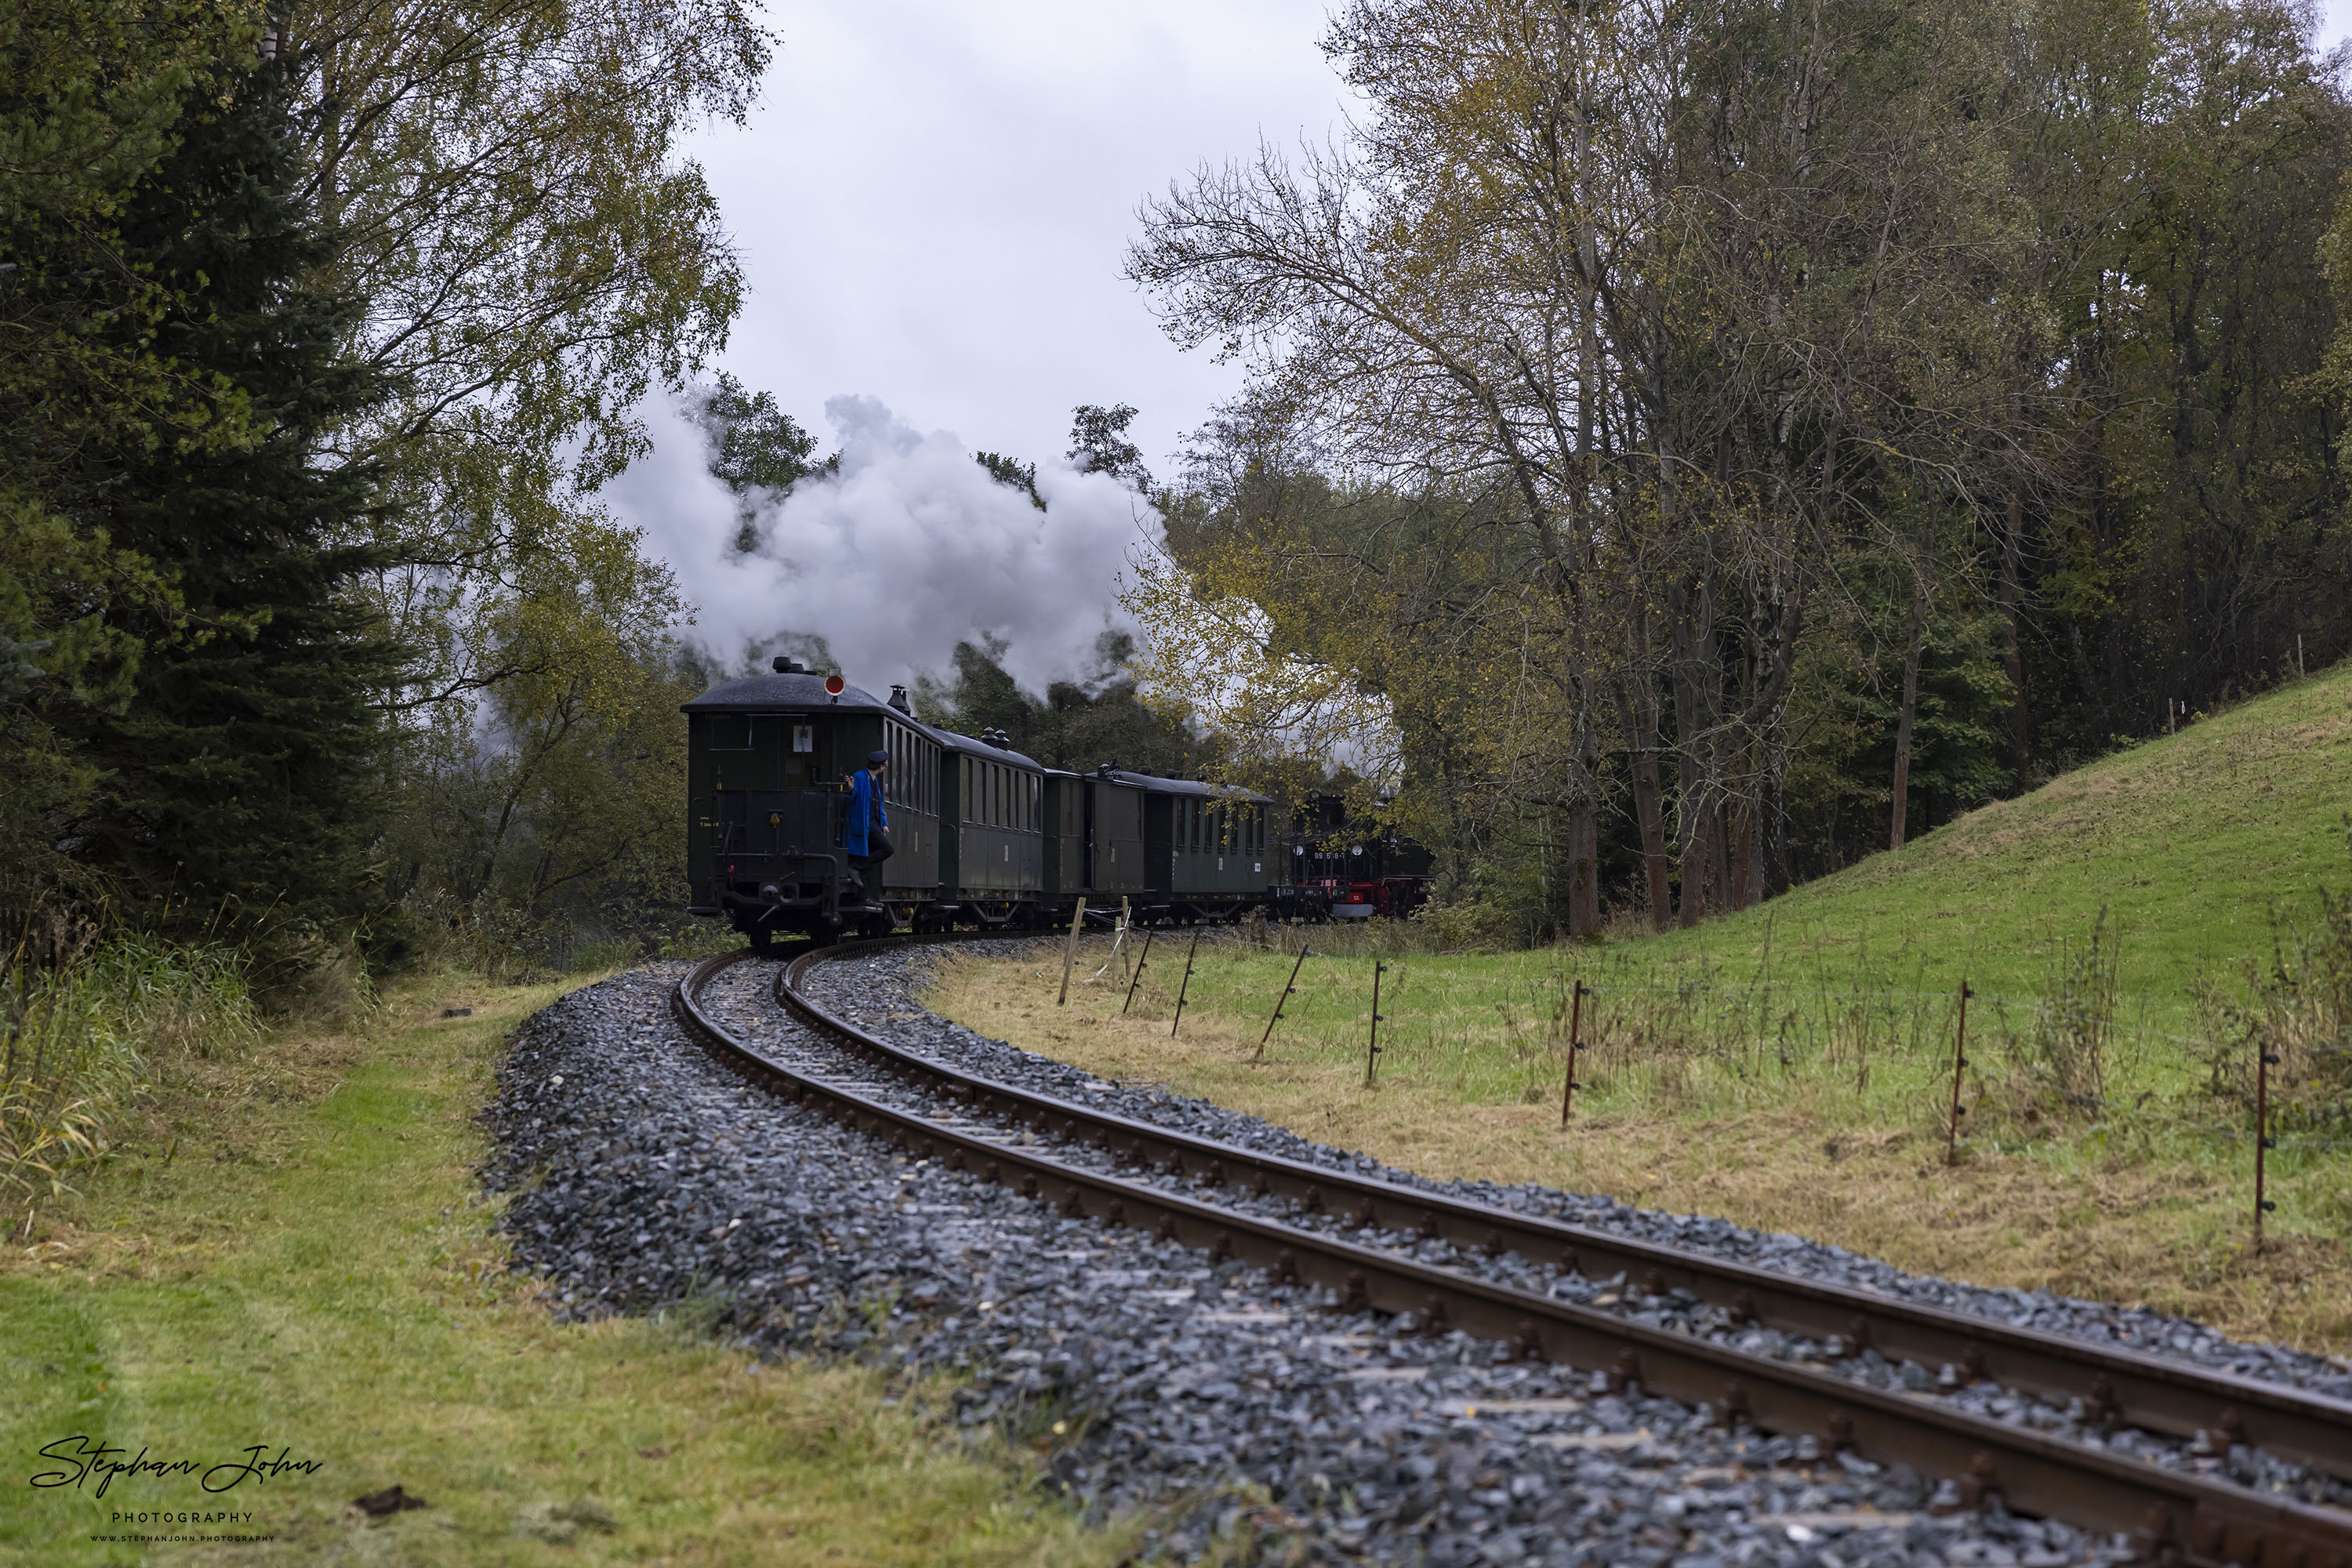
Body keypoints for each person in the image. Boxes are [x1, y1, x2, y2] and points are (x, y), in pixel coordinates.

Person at [842, 748, 891, 906]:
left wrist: (884, 823)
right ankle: (855, 868)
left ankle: (865, 897)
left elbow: (879, 803)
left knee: (869, 862)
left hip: (873, 824)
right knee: (887, 849)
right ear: (881, 767)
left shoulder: (874, 780)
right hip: (864, 824)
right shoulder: (859, 777)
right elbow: (853, 793)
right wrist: (850, 788)